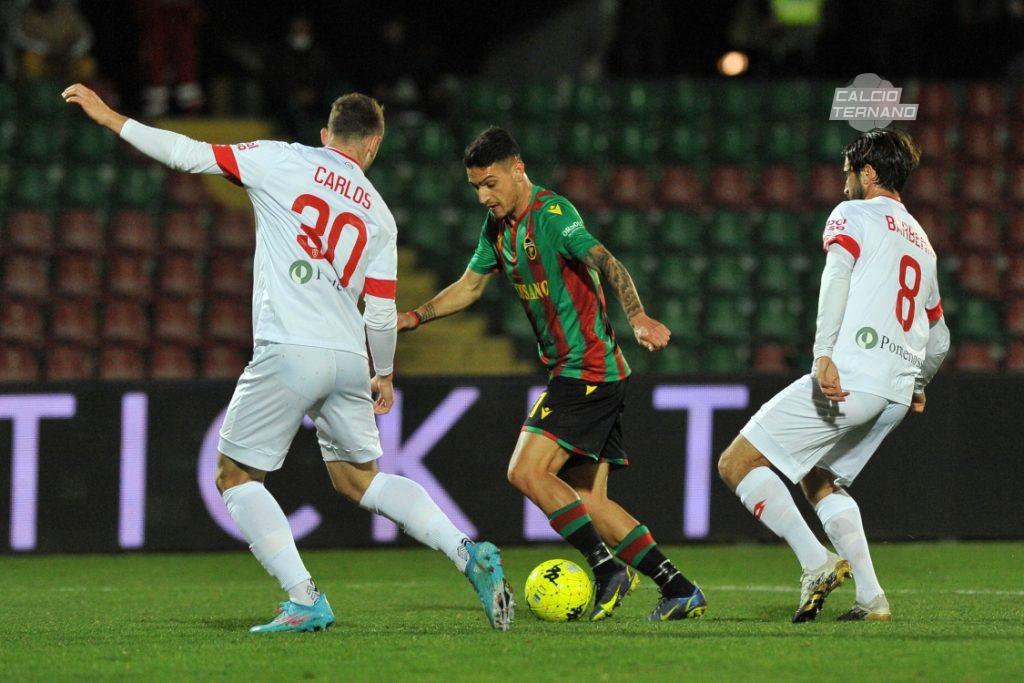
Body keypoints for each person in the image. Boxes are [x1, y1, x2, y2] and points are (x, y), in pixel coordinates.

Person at [62, 84, 514, 632]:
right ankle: (469, 552)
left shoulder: (280, 158)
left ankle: (304, 598)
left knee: (233, 474)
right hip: (349, 355)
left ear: (326, 135)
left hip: (289, 346)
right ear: (373, 146)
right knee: (360, 480)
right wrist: (385, 372)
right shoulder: (380, 215)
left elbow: (187, 153)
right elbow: (379, 311)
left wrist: (112, 117)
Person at [398, 127, 706, 622]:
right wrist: (414, 317)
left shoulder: (554, 215)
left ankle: (605, 569)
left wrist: (639, 316)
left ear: (518, 170)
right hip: (585, 373)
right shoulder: (497, 229)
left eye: (491, 183)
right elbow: (470, 287)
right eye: (476, 187)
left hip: (588, 371)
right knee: (587, 501)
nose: (484, 196)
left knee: (525, 471)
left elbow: (605, 261)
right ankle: (678, 587)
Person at [717, 128, 950, 623]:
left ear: (867, 173)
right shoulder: (924, 244)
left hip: (853, 377)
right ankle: (871, 598)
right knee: (820, 477)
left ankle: (816, 562)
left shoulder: (853, 214)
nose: (843, 180)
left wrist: (823, 353)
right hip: (893, 395)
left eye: (848, 170)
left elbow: (836, 277)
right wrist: (919, 383)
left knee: (736, 463)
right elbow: (941, 337)